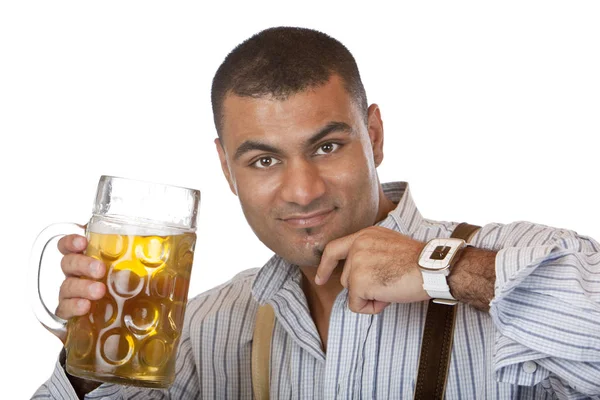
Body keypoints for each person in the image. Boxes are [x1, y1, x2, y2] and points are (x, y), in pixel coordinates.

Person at [33, 26, 600, 399]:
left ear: (373, 136)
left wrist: (445, 269)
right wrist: (91, 356)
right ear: (227, 171)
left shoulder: (519, 262)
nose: (301, 191)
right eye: (262, 160)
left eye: (327, 147)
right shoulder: (202, 328)